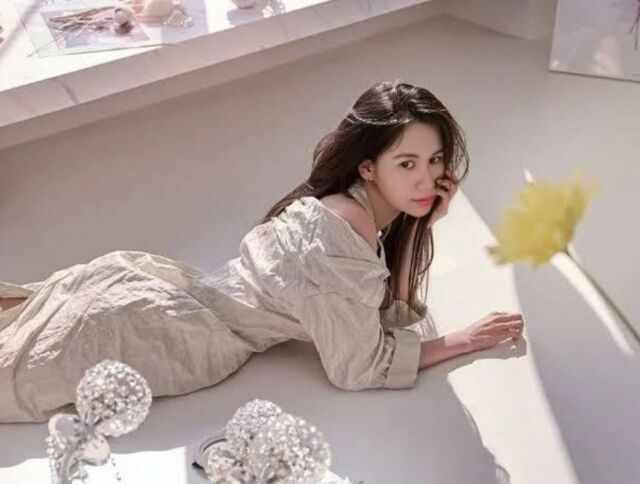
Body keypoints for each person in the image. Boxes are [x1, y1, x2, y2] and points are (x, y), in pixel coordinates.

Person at [0, 80, 524, 423]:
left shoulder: (351, 208)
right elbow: (359, 367)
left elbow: (381, 313)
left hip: (157, 296)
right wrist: (461, 340)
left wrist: (425, 224)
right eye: (406, 163)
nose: (428, 178)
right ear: (368, 166)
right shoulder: (340, 234)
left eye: (435, 160)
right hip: (173, 332)